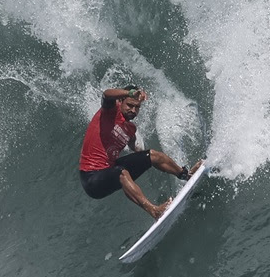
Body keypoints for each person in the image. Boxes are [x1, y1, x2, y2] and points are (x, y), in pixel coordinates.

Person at [78, 84, 203, 219]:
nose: (133, 110)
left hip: (109, 170)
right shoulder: (109, 112)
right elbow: (106, 94)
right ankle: (154, 210)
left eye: (137, 107)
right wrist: (130, 92)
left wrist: (143, 157)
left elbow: (136, 149)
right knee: (121, 172)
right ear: (120, 102)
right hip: (91, 178)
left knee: (153, 155)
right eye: (130, 105)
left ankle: (186, 175)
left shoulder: (131, 129)